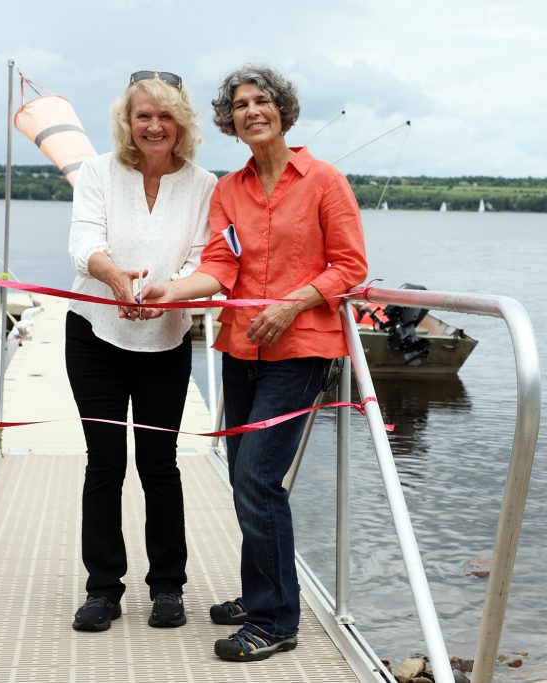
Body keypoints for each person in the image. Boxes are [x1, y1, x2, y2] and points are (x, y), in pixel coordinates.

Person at [140, 64, 368, 661]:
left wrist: (291, 305)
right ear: (230, 120)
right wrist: (172, 289)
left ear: (283, 110)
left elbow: (350, 266)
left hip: (301, 351)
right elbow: (221, 266)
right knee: (247, 479)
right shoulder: (228, 190)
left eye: (261, 100)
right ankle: (261, 589)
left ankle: (274, 620)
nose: (251, 111)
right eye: (240, 105)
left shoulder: (324, 181)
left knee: (257, 480)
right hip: (242, 351)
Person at [65, 70, 216, 632]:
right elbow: (85, 242)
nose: (154, 125)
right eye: (142, 115)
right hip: (94, 332)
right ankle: (103, 590)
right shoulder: (98, 172)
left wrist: (163, 292)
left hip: (166, 336)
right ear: (127, 122)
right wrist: (115, 280)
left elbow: (204, 258)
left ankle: (168, 588)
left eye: (165, 115)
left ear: (183, 121)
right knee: (105, 462)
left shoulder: (205, 184)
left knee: (159, 464)